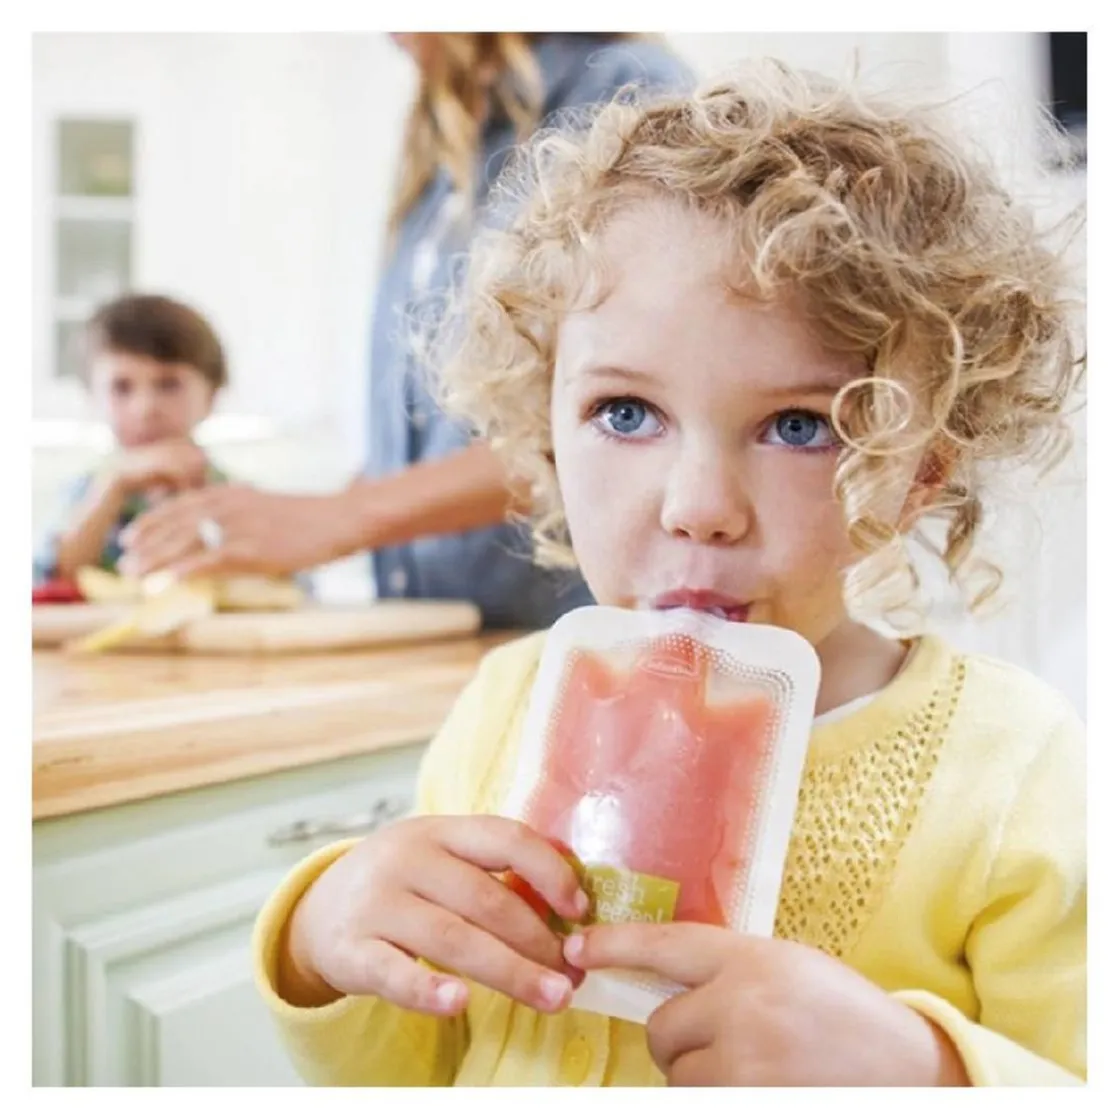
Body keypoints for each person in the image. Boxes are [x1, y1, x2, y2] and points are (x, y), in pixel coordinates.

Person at [250, 63, 1085, 1086]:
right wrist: (323, 937)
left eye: (798, 426)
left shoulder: (1011, 767)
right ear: (543, 430)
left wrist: (928, 1075)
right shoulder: (503, 712)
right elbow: (422, 1066)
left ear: (918, 475)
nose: (697, 504)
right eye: (626, 413)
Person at [118, 33, 693, 629]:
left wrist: (336, 518)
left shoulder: (621, 87)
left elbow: (623, 411)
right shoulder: (453, 134)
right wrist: (286, 528)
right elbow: (436, 431)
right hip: (443, 623)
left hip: (551, 629)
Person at [33, 293, 229, 584]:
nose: (145, 408)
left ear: (211, 395)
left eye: (169, 384)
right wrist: (115, 486)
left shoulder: (235, 495)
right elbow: (51, 578)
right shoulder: (83, 492)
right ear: (92, 398)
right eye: (121, 387)